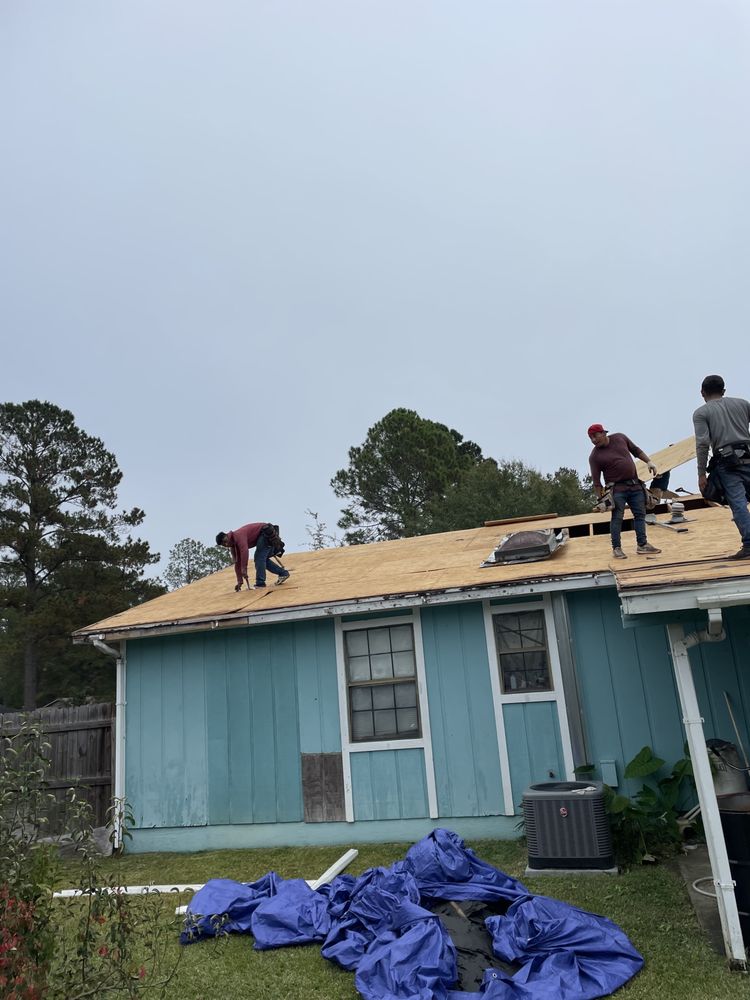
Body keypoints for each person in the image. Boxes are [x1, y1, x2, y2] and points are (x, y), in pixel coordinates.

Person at [693, 375, 750, 560]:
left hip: (728, 462)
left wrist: (701, 473)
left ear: (702, 392)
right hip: (748, 455)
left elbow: (702, 444)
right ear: (724, 391)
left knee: (738, 502)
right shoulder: (743, 404)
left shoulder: (702, 413)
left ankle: (749, 545)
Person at [587, 423, 661, 559]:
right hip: (617, 490)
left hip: (635, 485)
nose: (593, 440)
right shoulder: (595, 456)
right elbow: (597, 482)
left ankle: (642, 545)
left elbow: (636, 450)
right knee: (617, 518)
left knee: (640, 515)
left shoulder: (620, 438)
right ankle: (617, 548)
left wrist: (649, 462)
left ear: (603, 433)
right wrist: (601, 500)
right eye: (590, 438)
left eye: (595, 436)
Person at [215, 522, 291, 590]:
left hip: (265, 532)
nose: (226, 544)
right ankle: (283, 573)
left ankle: (260, 583)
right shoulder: (233, 547)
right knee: (263, 560)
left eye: (225, 541)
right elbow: (237, 563)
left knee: (259, 558)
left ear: (227, 536)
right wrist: (239, 581)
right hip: (262, 536)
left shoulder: (238, 536)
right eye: (224, 545)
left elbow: (244, 552)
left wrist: (244, 569)